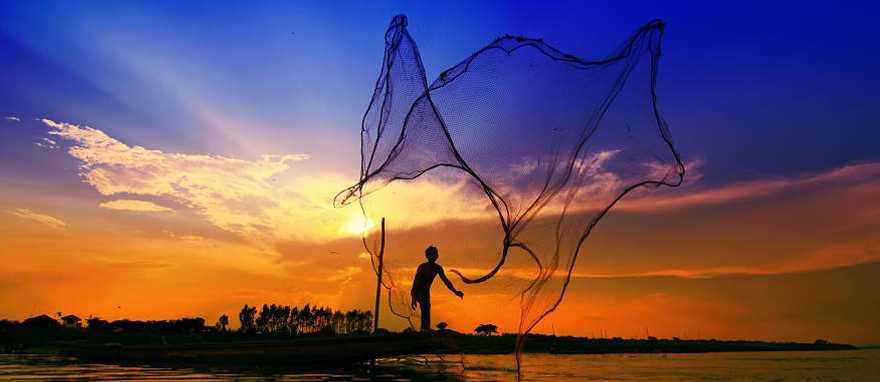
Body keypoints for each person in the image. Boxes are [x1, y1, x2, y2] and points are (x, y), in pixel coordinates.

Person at [411, 245, 463, 331]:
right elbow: (416, 282)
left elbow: (446, 281)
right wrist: (413, 297)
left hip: (426, 291)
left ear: (437, 256)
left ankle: (425, 329)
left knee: (426, 309)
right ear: (427, 256)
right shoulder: (422, 267)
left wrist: (455, 291)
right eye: (431, 254)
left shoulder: (438, 268)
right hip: (418, 291)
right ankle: (424, 329)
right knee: (425, 308)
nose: (434, 256)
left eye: (435, 254)